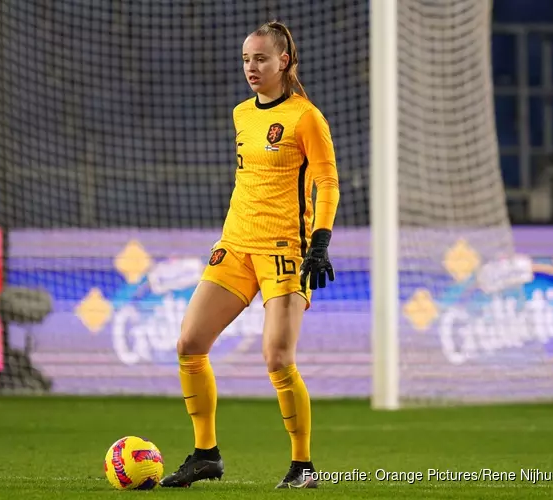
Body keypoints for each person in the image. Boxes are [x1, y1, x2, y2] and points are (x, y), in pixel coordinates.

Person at [159, 20, 340, 490]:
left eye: (260, 58)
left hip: (285, 250)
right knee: (189, 344)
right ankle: (205, 455)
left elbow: (327, 183)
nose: (251, 67)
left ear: (285, 61)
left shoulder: (306, 118)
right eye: (246, 59)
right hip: (236, 246)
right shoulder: (242, 114)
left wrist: (319, 242)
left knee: (278, 358)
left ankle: (302, 466)